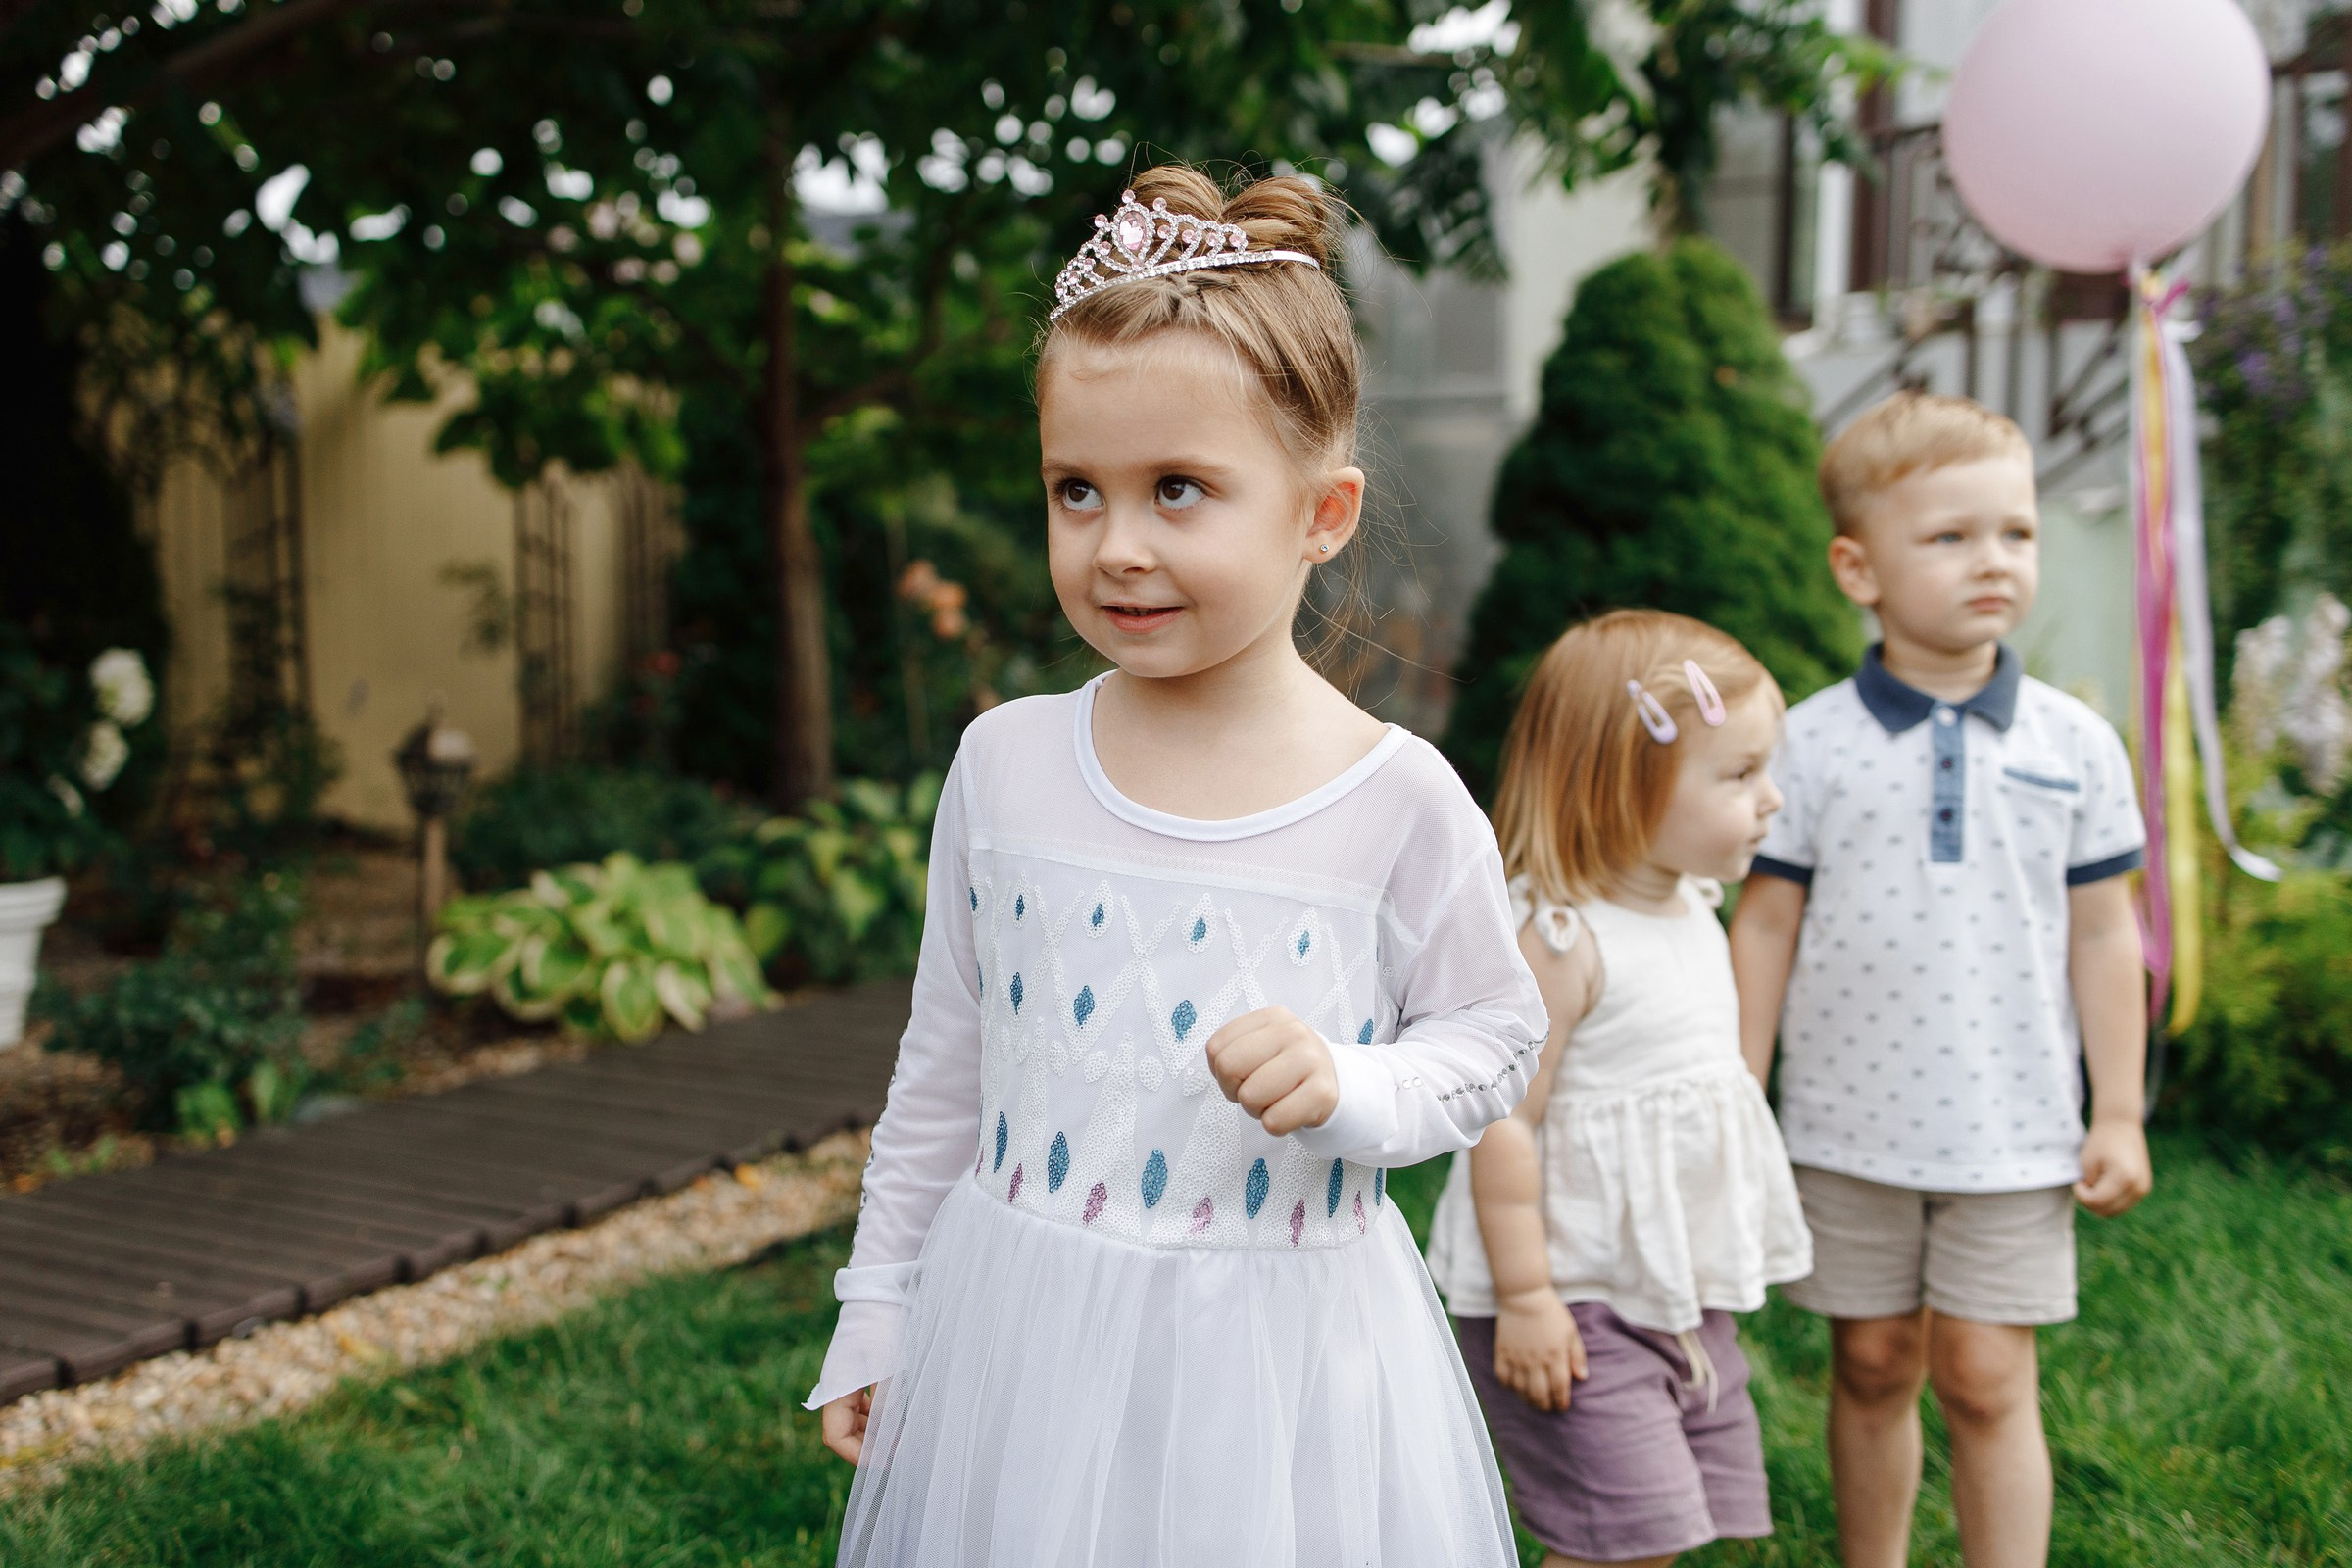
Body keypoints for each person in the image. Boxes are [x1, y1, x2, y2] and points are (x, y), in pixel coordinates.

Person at [807, 163, 1547, 1568]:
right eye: (1075, 490)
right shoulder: (1007, 764)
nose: (1118, 547)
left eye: (1180, 491)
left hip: (1272, 1363)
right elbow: (946, 1060)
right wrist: (883, 1299)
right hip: (1022, 1334)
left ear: (1322, 514)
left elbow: (1497, 1037)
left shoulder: (1392, 800)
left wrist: (1355, 1085)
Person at [1728, 391, 2152, 1568]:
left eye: (2015, 532)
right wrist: (1739, 1092)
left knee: (1985, 1372)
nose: (1994, 561)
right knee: (1871, 1361)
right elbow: (1765, 924)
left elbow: (2106, 936)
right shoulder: (1807, 740)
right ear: (1858, 569)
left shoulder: (2075, 744)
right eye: (1952, 536)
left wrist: (2119, 1108)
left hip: (2015, 1124)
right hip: (1848, 1123)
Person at [1426, 610, 1815, 1567]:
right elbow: (1506, 1124)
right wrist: (1526, 1296)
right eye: (1739, 774)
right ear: (1620, 786)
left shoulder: (1691, 905)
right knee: (1615, 1543)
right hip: (1570, 1295)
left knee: (1655, 1539)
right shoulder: (1560, 939)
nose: (1771, 800)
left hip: (1668, 1287)